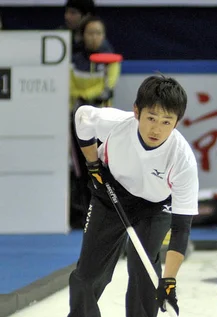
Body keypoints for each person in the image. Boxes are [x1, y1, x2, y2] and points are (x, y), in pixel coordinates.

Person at [48, 75, 199, 317]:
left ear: (177, 122)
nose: (157, 128)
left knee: (144, 274)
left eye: (166, 122)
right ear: (136, 112)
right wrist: (93, 164)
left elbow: (182, 230)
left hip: (154, 208)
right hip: (110, 194)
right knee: (87, 274)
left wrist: (168, 281)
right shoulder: (115, 123)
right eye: (151, 117)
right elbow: (81, 118)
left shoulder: (182, 160)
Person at [69, 15, 121, 229]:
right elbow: (71, 88)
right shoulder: (74, 59)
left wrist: (88, 95)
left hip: (104, 124)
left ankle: (106, 214)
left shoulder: (112, 59)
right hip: (79, 122)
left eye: (98, 33)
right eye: (90, 33)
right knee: (82, 170)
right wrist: (89, 94)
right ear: (83, 35)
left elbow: (109, 85)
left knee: (105, 168)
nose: (94, 37)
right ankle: (85, 215)